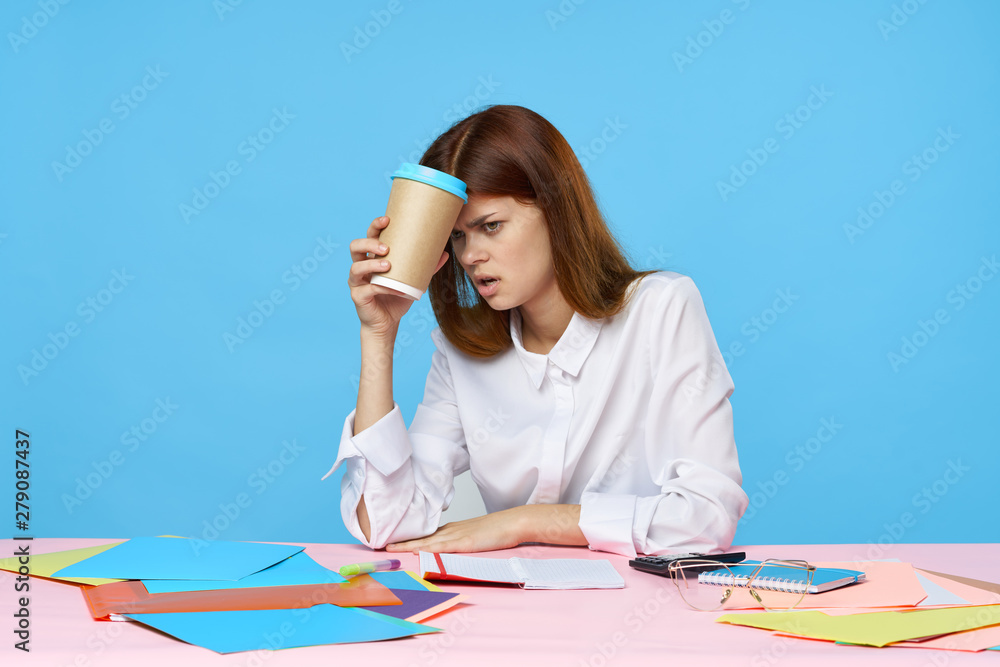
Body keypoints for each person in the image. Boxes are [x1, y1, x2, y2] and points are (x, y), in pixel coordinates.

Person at [326, 105, 748, 558]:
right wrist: (379, 336)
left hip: (643, 598)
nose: (470, 256)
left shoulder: (661, 310)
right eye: (457, 236)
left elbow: (708, 516)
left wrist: (526, 522)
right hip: (512, 600)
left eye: (491, 226)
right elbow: (386, 524)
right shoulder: (461, 353)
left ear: (555, 210)